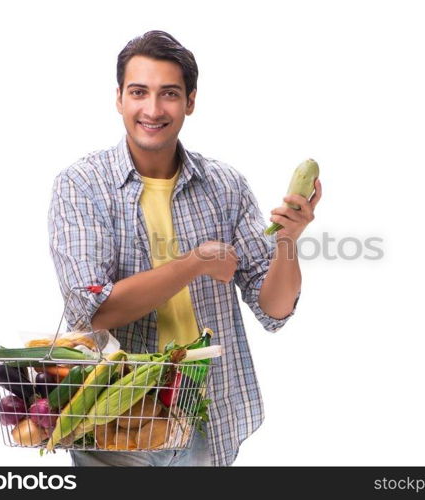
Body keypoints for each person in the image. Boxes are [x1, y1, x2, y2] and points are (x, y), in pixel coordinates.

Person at [48, 30, 322, 466]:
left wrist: (288, 240)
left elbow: (274, 309)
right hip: (116, 419)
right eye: (139, 92)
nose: (153, 109)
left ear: (190, 101)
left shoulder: (225, 186)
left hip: (205, 415)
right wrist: (194, 263)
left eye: (169, 94)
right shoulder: (82, 186)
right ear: (119, 98)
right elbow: (93, 309)